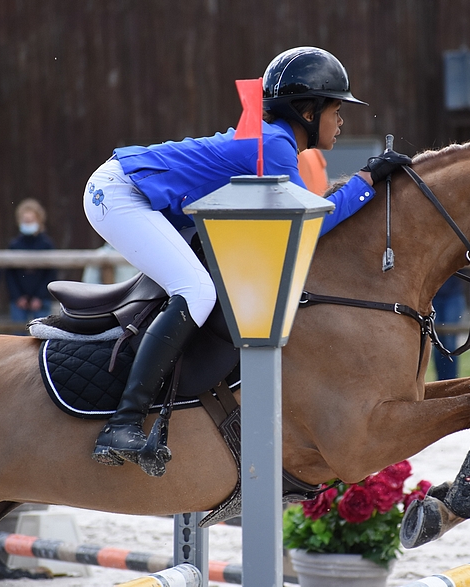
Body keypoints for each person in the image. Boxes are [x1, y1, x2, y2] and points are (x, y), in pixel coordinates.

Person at [83, 46, 412, 476]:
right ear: (308, 112)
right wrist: (366, 181)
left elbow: (304, 209)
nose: (342, 120)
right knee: (197, 291)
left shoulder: (273, 142)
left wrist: (357, 184)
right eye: (337, 109)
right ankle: (123, 423)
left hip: (135, 193)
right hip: (118, 194)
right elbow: (307, 223)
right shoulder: (275, 145)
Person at [5, 199, 56, 326]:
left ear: (39, 220)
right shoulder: (14, 245)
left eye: (31, 220)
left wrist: (40, 296)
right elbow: (10, 274)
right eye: (25, 220)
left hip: (41, 299)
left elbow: (50, 273)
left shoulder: (46, 244)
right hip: (19, 300)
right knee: (17, 335)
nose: (28, 223)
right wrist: (18, 296)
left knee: (41, 333)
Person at [432, 275, 468, 381]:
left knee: (449, 341)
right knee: (436, 342)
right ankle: (441, 381)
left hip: (453, 294)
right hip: (433, 295)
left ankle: (451, 381)